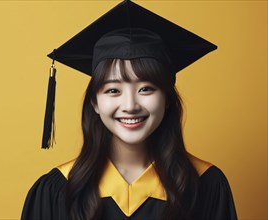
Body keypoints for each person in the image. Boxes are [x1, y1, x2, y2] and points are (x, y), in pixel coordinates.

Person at [21, 1, 238, 219]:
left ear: (167, 99)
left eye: (146, 88)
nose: (130, 106)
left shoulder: (206, 185)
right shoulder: (57, 191)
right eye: (113, 90)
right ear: (95, 103)